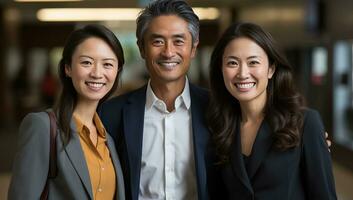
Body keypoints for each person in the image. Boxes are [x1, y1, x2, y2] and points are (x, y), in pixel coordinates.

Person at [207, 22, 337, 199]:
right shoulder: (219, 127)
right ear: (221, 69)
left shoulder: (305, 123)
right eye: (232, 63)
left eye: (253, 62)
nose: (243, 73)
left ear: (271, 69)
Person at [98, 0, 209, 199]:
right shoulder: (110, 114)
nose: (168, 52)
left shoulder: (216, 110)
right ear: (142, 48)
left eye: (178, 41)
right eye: (157, 41)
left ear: (193, 48)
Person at [9, 24, 126, 200]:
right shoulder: (42, 126)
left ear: (117, 72)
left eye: (108, 64)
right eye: (86, 62)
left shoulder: (108, 138)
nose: (97, 73)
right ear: (68, 68)